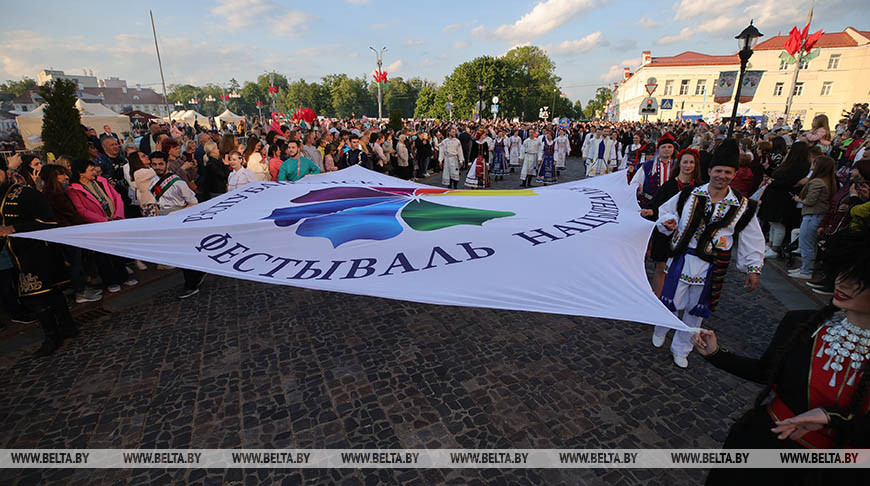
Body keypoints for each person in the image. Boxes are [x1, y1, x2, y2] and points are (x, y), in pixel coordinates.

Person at [691, 228, 870, 485]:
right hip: (763, 447)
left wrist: (834, 419)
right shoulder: (803, 323)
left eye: (859, 279)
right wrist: (716, 354)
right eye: (843, 271)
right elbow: (766, 371)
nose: (842, 282)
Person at [653, 139, 765, 368]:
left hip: (711, 265)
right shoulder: (689, 194)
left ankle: (682, 348)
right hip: (682, 259)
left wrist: (753, 267)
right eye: (719, 171)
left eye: (728, 172)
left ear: (734, 174)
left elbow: (752, 237)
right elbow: (664, 211)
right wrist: (668, 222)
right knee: (671, 301)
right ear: (710, 171)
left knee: (696, 310)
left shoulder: (743, 206)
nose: (722, 176)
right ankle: (661, 327)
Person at [0, 157, 78, 356]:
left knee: (39, 298)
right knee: (49, 295)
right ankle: (68, 328)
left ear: (6, 172)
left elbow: (49, 222)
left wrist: (14, 227)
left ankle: (53, 336)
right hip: (12, 256)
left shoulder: (25, 193)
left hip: (36, 254)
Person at [66, 159, 137, 293]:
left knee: (119, 252)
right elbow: (82, 210)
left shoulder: (101, 181)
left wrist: (118, 215)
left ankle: (124, 276)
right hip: (97, 227)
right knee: (103, 257)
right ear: (81, 173)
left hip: (114, 221)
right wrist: (104, 220)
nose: (95, 172)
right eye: (91, 170)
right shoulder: (74, 189)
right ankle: (111, 281)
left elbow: (116, 197)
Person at [640, 148, 701, 297]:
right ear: (679, 164)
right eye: (685, 162)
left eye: (691, 162)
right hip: (666, 234)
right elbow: (657, 207)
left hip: (687, 236)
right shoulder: (668, 186)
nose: (688, 165)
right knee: (661, 268)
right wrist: (650, 213)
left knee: (680, 271)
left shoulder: (701, 188)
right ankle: (656, 301)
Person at [38, 165, 102, 304]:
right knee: (75, 263)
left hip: (65, 231)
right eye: (61, 174)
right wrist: (83, 225)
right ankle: (80, 291)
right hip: (68, 232)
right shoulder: (56, 194)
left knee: (76, 261)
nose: (66, 177)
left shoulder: (51, 192)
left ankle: (82, 288)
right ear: (53, 177)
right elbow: (70, 213)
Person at [759, 142, 811, 258]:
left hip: (782, 197)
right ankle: (771, 244)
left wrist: (773, 182)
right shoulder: (794, 164)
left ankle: (775, 247)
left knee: (777, 223)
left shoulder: (798, 166)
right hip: (776, 196)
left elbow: (788, 182)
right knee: (772, 222)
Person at [789, 155, 837, 280]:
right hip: (818, 215)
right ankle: (806, 268)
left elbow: (810, 201)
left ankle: (806, 271)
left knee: (806, 244)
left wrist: (798, 199)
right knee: (810, 245)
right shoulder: (829, 181)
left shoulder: (817, 182)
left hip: (812, 215)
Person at [630, 133, 678, 209]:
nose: (667, 149)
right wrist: (637, 188)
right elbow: (635, 183)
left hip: (671, 206)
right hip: (649, 204)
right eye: (663, 147)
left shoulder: (677, 166)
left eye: (669, 147)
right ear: (658, 150)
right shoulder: (647, 166)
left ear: (673, 149)